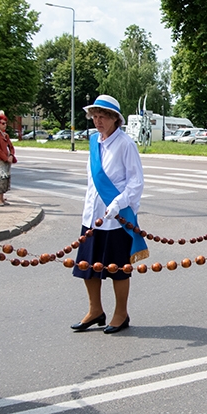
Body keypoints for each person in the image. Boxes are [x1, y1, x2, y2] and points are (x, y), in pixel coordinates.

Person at [70, 95, 148, 334]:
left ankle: (120, 313)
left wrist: (118, 203)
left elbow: (136, 183)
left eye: (103, 116)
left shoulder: (125, 144)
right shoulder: (95, 142)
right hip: (92, 216)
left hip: (117, 218)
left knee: (117, 269)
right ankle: (95, 310)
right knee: (88, 266)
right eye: (94, 116)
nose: (98, 120)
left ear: (116, 119)